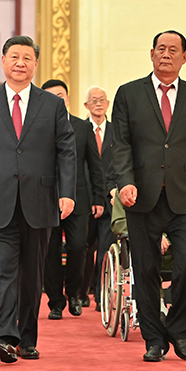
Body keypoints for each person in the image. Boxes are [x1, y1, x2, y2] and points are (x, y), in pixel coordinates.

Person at [0, 36, 76, 363]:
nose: (20, 63)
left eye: (27, 58)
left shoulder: (52, 104)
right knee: (2, 270)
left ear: (35, 64)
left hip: (40, 200)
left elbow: (66, 151)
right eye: (14, 56)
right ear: (3, 61)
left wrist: (67, 193)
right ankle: (3, 337)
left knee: (31, 275)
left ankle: (27, 340)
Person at [111, 30, 186, 362]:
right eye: (160, 48)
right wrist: (125, 182)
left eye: (173, 50)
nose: (166, 54)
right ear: (151, 54)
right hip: (142, 198)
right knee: (145, 271)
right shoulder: (129, 93)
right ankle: (154, 340)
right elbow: (121, 144)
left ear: (184, 57)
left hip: (184, 198)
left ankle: (179, 331)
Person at [40, 79, 105, 320]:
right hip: (46, 199)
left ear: (67, 98)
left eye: (60, 95)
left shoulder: (82, 127)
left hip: (78, 198)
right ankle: (55, 301)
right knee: (50, 251)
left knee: (79, 246)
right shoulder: (37, 127)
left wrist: (98, 197)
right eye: (50, 97)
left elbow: (95, 166)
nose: (56, 100)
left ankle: (75, 293)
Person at [81, 85, 117, 310]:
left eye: (102, 100)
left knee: (106, 249)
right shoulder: (79, 130)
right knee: (83, 248)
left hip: (110, 200)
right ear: (86, 105)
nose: (98, 104)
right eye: (93, 100)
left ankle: (101, 294)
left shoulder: (117, 131)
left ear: (108, 104)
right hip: (85, 199)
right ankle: (81, 291)